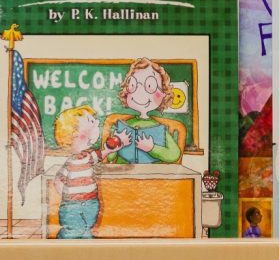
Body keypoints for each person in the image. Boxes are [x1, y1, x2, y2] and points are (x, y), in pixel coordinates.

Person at [53, 105, 130, 239]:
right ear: (75, 134)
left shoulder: (89, 157)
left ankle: (87, 251)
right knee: (72, 231)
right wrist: (68, 196)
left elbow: (101, 154)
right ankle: (63, 249)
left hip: (91, 202)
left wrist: (110, 149)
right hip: (72, 205)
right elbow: (59, 180)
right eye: (91, 121)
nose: (97, 123)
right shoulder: (70, 163)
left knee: (88, 230)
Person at [110, 58, 182, 164]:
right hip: (124, 175)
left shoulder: (158, 129)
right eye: (133, 86)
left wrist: (152, 148)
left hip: (151, 177)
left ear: (163, 93)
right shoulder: (125, 126)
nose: (140, 93)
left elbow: (174, 154)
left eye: (149, 86)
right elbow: (110, 157)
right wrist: (117, 142)